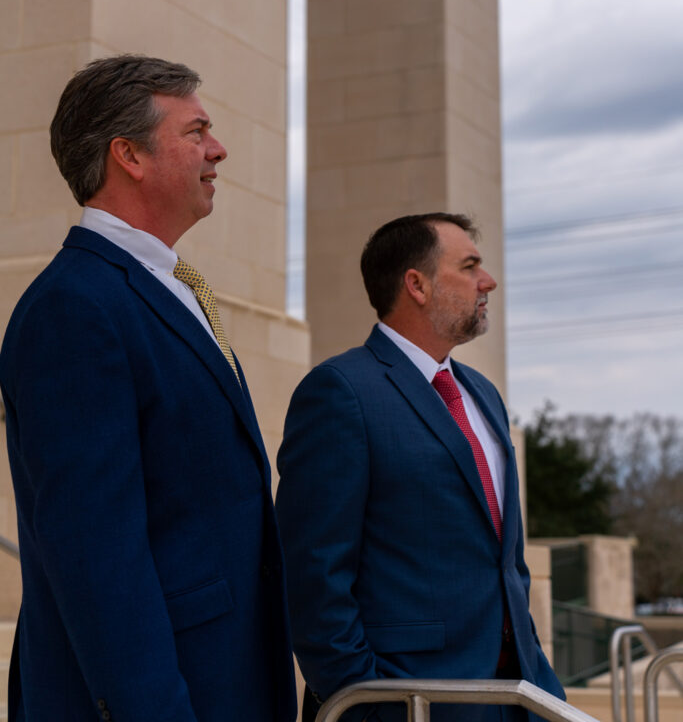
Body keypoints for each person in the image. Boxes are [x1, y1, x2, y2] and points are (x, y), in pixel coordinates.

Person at [0, 55, 297, 722]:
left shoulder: (171, 288)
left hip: (225, 679)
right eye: (196, 131)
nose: (217, 149)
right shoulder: (75, 307)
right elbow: (96, 554)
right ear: (129, 155)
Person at [275, 213, 564, 722]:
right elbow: (313, 575)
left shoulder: (484, 394)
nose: (488, 280)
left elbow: (505, 563)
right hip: (408, 704)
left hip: (518, 697)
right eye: (470, 265)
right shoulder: (341, 392)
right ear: (417, 284)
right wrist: (363, 698)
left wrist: (539, 679)